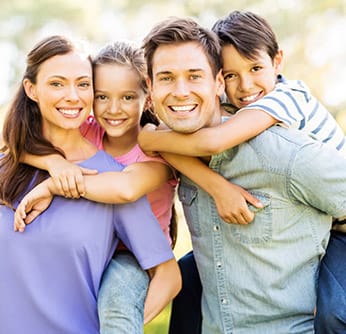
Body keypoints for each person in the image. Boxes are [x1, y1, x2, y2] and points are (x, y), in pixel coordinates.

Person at [14, 39, 257, 333]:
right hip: (90, 246)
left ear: (148, 95)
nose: (114, 109)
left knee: (118, 305)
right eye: (102, 97)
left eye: (128, 97)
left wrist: (54, 185)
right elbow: (19, 141)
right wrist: (55, 164)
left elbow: (124, 190)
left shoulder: (155, 150)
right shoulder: (87, 129)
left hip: (132, 256)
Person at [138, 11, 346, 333]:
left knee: (336, 309)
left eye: (194, 76)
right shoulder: (181, 141)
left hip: (341, 228)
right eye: (167, 77)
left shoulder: (285, 131)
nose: (245, 85)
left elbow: (217, 139)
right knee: (188, 278)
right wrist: (215, 184)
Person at [0, 35, 181, 334]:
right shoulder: (13, 164)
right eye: (57, 83)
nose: (72, 96)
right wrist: (55, 164)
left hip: (126, 265)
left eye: (82, 84)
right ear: (31, 89)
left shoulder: (120, 173)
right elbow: (22, 140)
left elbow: (167, 274)